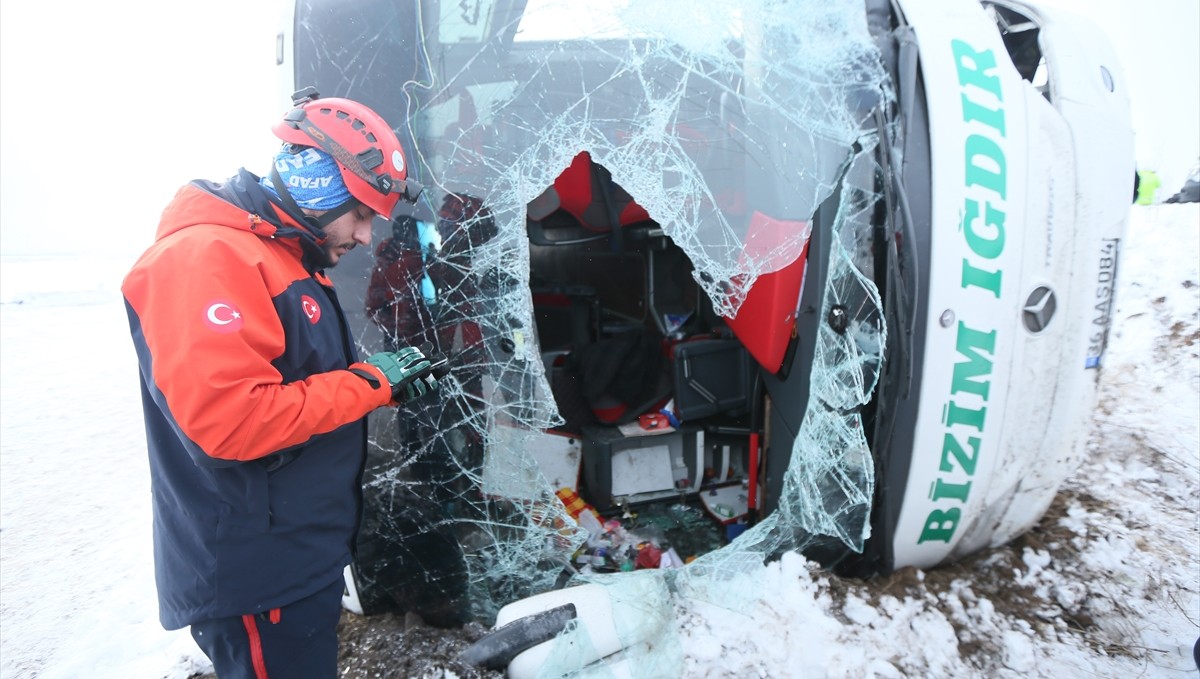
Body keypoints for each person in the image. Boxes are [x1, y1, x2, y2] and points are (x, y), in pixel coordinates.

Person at [121, 87, 447, 678]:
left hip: (294, 554)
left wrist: (382, 384)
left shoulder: (280, 257)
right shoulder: (207, 258)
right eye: (362, 214)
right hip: (258, 573)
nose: (367, 237)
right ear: (320, 187)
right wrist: (371, 383)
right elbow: (232, 423)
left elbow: (302, 384)